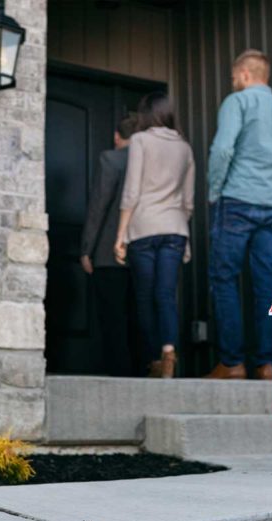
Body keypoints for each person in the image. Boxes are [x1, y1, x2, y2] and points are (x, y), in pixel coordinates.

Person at [205, 49, 272, 380]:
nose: (233, 82)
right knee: (267, 285)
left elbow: (222, 149)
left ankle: (232, 363)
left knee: (224, 279)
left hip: (236, 201)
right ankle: (267, 364)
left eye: (234, 77)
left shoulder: (237, 103)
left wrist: (214, 191)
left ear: (246, 75)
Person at [114, 93, 195, 379]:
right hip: (175, 230)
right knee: (166, 295)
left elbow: (132, 191)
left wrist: (120, 235)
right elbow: (188, 201)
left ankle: (153, 360)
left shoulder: (140, 141)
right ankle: (169, 350)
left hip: (144, 229)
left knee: (146, 297)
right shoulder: (185, 148)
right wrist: (183, 232)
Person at [80, 117, 138, 376]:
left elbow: (99, 206)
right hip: (142, 251)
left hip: (107, 251)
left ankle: (118, 371)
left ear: (117, 137)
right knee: (137, 314)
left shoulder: (111, 160)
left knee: (112, 316)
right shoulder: (148, 162)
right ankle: (141, 367)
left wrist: (86, 248)